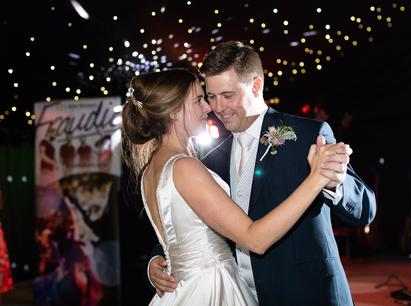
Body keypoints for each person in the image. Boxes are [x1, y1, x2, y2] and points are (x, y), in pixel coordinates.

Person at [147, 41, 377, 305]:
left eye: (228, 95)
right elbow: (194, 221)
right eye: (211, 96)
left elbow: (365, 209)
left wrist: (335, 184)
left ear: (256, 86)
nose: (217, 107)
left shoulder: (306, 136)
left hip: (306, 294)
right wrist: (157, 258)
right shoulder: (210, 157)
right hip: (237, 296)